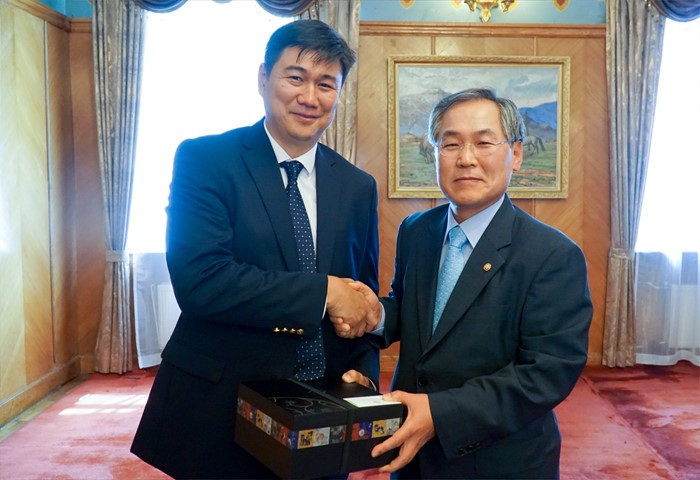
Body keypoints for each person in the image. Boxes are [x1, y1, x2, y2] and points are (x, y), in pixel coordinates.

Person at [131, 20, 380, 479]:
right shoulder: (206, 160)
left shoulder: (357, 186)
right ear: (263, 78)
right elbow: (201, 281)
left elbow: (362, 292)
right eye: (295, 77)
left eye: (326, 84)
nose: (310, 97)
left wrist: (364, 371)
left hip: (322, 410)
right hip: (221, 406)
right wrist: (323, 292)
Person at [345, 88, 593, 479]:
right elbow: (416, 311)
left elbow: (546, 374)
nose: (466, 158)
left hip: (497, 460)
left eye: (483, 142)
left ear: (516, 154)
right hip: (414, 455)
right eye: (451, 144)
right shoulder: (416, 231)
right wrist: (377, 315)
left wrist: (440, 413)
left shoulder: (553, 254)